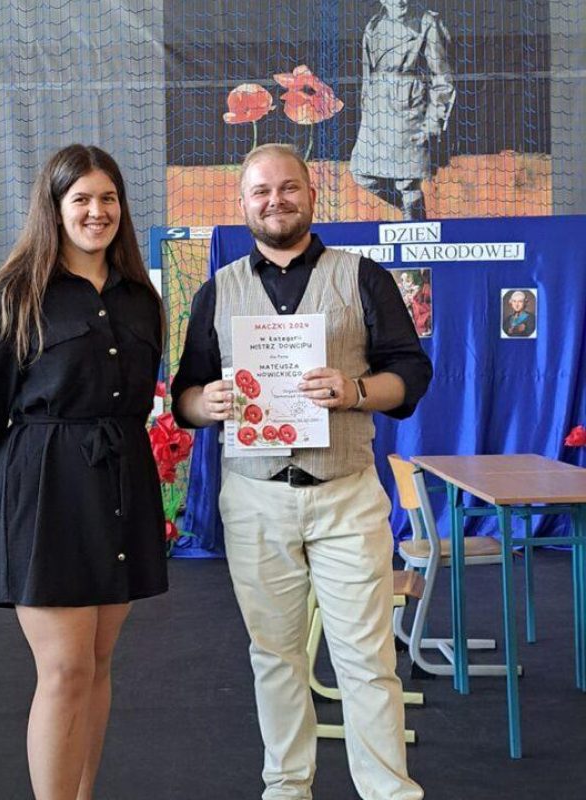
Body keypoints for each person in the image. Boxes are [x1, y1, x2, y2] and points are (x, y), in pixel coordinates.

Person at [172, 143, 431, 800]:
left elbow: (411, 373)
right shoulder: (217, 290)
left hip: (346, 495)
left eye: (288, 188)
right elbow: (185, 396)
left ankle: (389, 791)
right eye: (261, 191)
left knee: (368, 661)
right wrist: (208, 403)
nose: (275, 201)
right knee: (275, 657)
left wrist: (356, 390)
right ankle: (286, 788)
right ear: (243, 202)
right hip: (256, 498)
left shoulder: (362, 277)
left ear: (312, 195)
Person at [0, 144, 168, 800]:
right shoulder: (15, 295)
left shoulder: (141, 298)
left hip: (122, 481)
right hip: (47, 489)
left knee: (98, 664)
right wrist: (4, 491)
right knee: (65, 670)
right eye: (81, 199)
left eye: (108, 198)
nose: (96, 211)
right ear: (54, 209)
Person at [350, 0, 456, 220]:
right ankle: (414, 210)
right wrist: (366, 108)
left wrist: (433, 121)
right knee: (361, 173)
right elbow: (367, 74)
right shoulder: (374, 25)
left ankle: (413, 215)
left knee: (407, 182)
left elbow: (442, 78)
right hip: (376, 113)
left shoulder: (426, 22)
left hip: (408, 110)